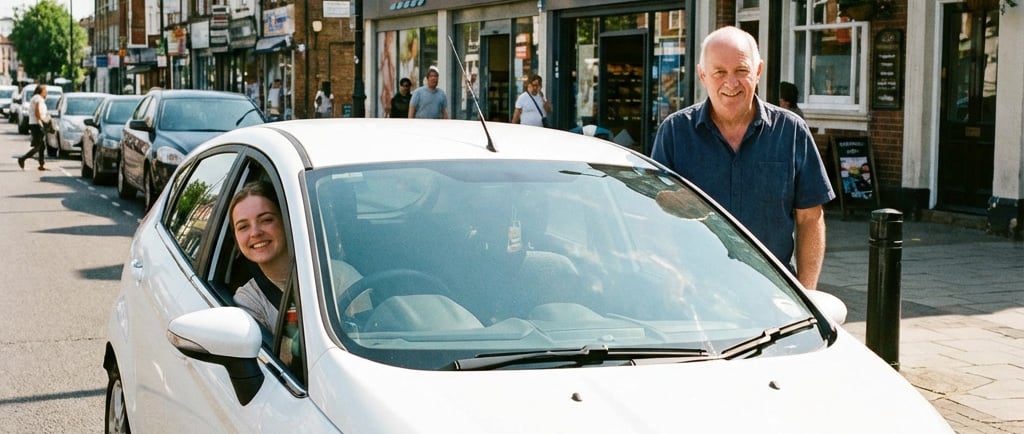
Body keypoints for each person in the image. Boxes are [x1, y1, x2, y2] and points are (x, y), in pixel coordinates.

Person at [650, 26, 835, 290]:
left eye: (741, 70)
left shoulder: (791, 131)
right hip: (696, 292)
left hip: (773, 292)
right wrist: (672, 278)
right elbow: (658, 217)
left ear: (758, 71)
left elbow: (810, 218)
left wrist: (807, 295)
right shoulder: (675, 132)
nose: (731, 83)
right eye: (719, 72)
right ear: (703, 75)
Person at [230, 181, 361, 330]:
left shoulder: (338, 277)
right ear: (236, 238)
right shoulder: (248, 301)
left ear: (287, 221)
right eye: (243, 227)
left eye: (266, 220)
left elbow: (375, 334)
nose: (255, 233)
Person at [18, 85, 52, 171]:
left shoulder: (38, 98)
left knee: (42, 146)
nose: (46, 92)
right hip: (37, 124)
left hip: (36, 123)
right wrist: (41, 121)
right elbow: (37, 111)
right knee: (38, 145)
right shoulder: (38, 98)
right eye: (45, 90)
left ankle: (41, 164)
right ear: (41, 91)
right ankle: (22, 159)